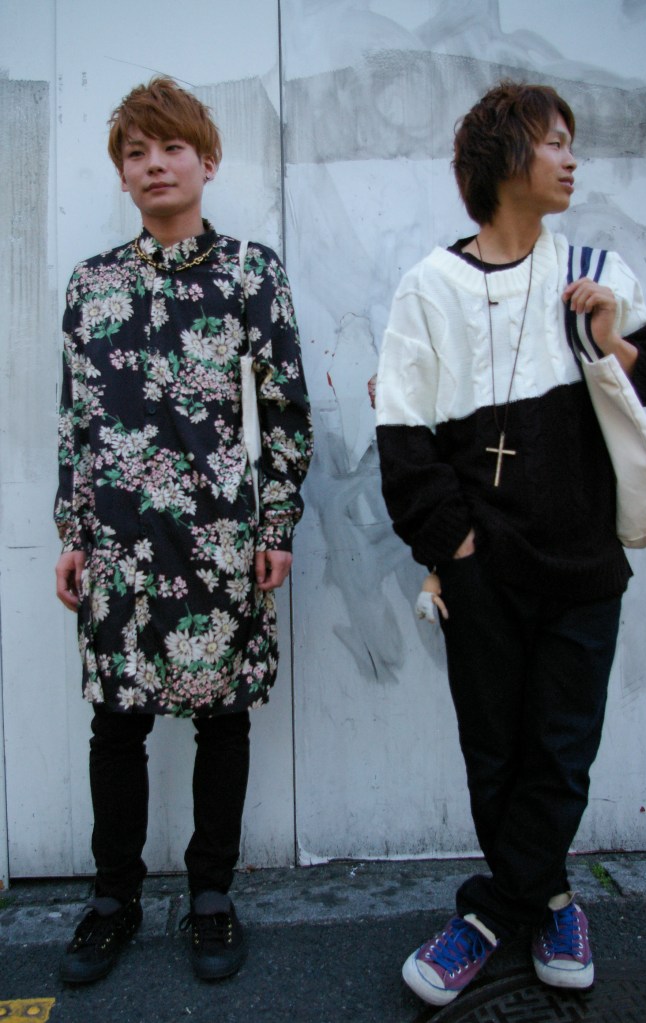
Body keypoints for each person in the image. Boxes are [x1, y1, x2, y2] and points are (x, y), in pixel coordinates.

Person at [375, 80, 646, 1007]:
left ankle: (488, 915)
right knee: (493, 748)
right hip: (482, 572)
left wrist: (609, 338)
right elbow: (404, 434)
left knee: (561, 750)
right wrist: (453, 547)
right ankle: (549, 898)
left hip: (581, 566)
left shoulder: (593, 270)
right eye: (556, 141)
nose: (572, 158)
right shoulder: (428, 286)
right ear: (507, 159)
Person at [54, 76, 313, 984]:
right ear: (122, 175)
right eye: (136, 152)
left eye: (170, 148)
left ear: (206, 160)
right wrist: (73, 531)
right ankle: (111, 899)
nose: (154, 163)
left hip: (217, 536)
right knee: (115, 723)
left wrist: (275, 521)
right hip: (119, 542)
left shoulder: (251, 271)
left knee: (222, 716)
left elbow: (282, 408)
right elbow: (76, 421)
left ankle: (211, 895)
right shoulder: (92, 286)